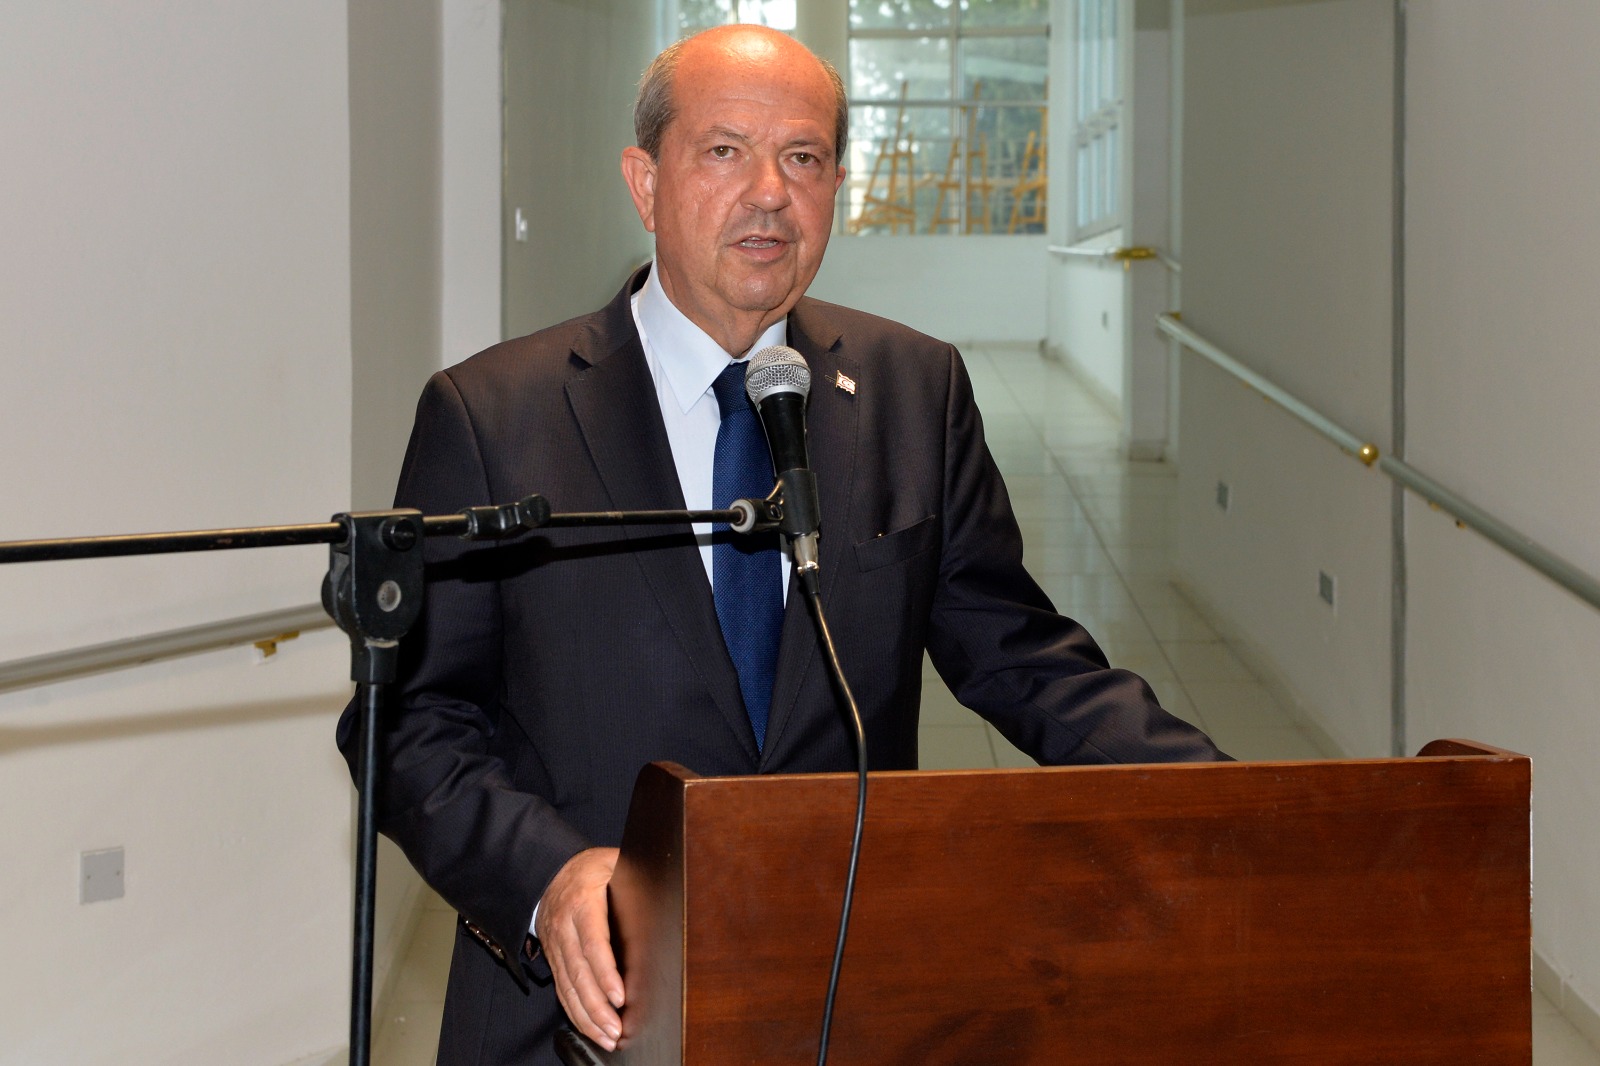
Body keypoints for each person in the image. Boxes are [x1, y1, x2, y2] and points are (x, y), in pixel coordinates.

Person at [338, 24, 1227, 1066]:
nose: (769, 192)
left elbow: (1023, 658)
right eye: (725, 151)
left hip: (843, 991)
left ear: (836, 186)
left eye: (802, 157)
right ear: (645, 182)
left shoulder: (913, 390)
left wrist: (1233, 800)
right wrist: (549, 874)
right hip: (585, 1015)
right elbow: (407, 723)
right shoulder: (494, 416)